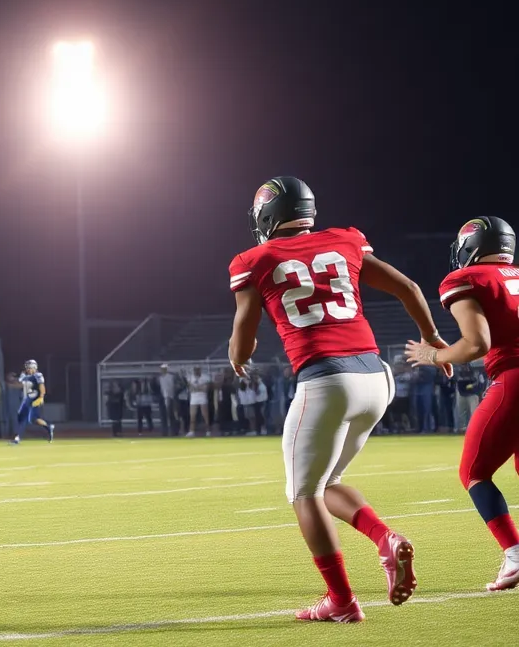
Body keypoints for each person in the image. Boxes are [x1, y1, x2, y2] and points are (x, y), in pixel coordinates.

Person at [228, 176, 447, 622]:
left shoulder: (254, 258)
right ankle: (386, 541)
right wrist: (433, 339)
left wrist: (238, 356)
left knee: (303, 492)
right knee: (327, 483)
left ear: (267, 217)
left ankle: (342, 600)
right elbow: (408, 287)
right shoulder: (346, 239)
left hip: (326, 380)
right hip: (375, 378)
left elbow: (245, 331)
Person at [405, 216, 519, 591]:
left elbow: (476, 344)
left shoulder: (465, 279)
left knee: (474, 471)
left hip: (514, 378)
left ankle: (515, 555)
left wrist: (433, 355)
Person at [11, 359, 55, 444]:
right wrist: (11, 383)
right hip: (27, 398)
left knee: (24, 418)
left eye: (29, 368)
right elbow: (20, 384)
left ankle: (17, 438)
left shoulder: (37, 375)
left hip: (34, 398)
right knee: (33, 419)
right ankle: (48, 427)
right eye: (27, 368)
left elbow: (42, 386)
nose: (28, 369)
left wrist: (41, 397)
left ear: (34, 367)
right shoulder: (25, 376)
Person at [187, 366, 212, 437]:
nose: (196, 371)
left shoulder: (205, 377)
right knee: (192, 415)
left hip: (202, 398)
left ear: (200, 370)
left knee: (205, 416)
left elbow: (205, 388)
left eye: (197, 370)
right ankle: (191, 431)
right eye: (195, 370)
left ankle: (208, 431)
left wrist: (197, 388)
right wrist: (200, 387)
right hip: (194, 398)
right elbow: (191, 388)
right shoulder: (191, 377)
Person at [158, 365, 177, 436]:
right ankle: (164, 432)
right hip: (163, 397)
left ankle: (173, 431)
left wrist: (169, 396)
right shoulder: (160, 378)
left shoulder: (170, 377)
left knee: (171, 415)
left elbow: (171, 387)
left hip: (170, 397)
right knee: (163, 416)